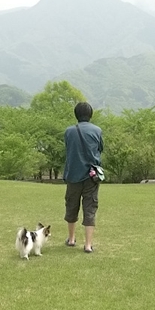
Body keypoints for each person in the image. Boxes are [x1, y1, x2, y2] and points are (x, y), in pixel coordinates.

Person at [63, 102, 104, 253]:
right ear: (91, 114)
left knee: (71, 206)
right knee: (90, 208)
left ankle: (72, 239)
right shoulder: (97, 131)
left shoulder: (69, 132)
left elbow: (68, 149)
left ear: (76, 114)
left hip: (73, 175)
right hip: (91, 176)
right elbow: (100, 149)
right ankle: (88, 245)